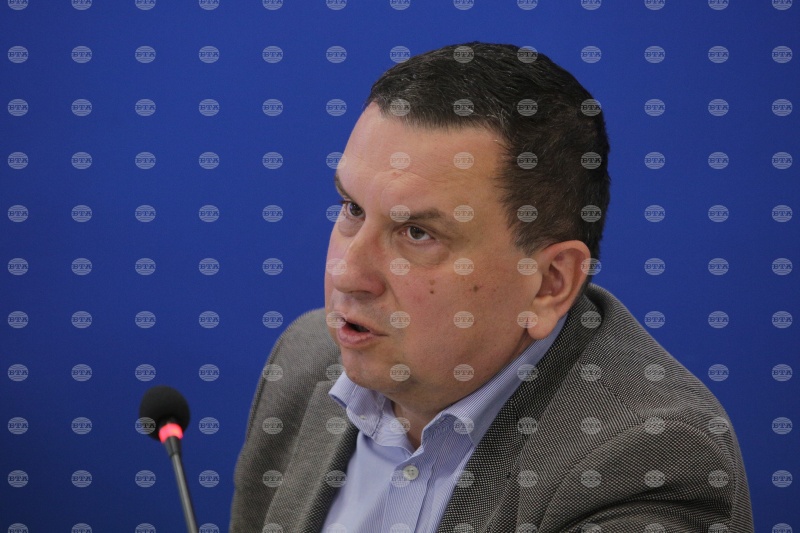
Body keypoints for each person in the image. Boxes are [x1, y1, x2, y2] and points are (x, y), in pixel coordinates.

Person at [230, 42, 753, 533]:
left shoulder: (646, 458)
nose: (347, 275)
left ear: (548, 284)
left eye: (418, 233)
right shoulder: (305, 361)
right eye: (352, 208)